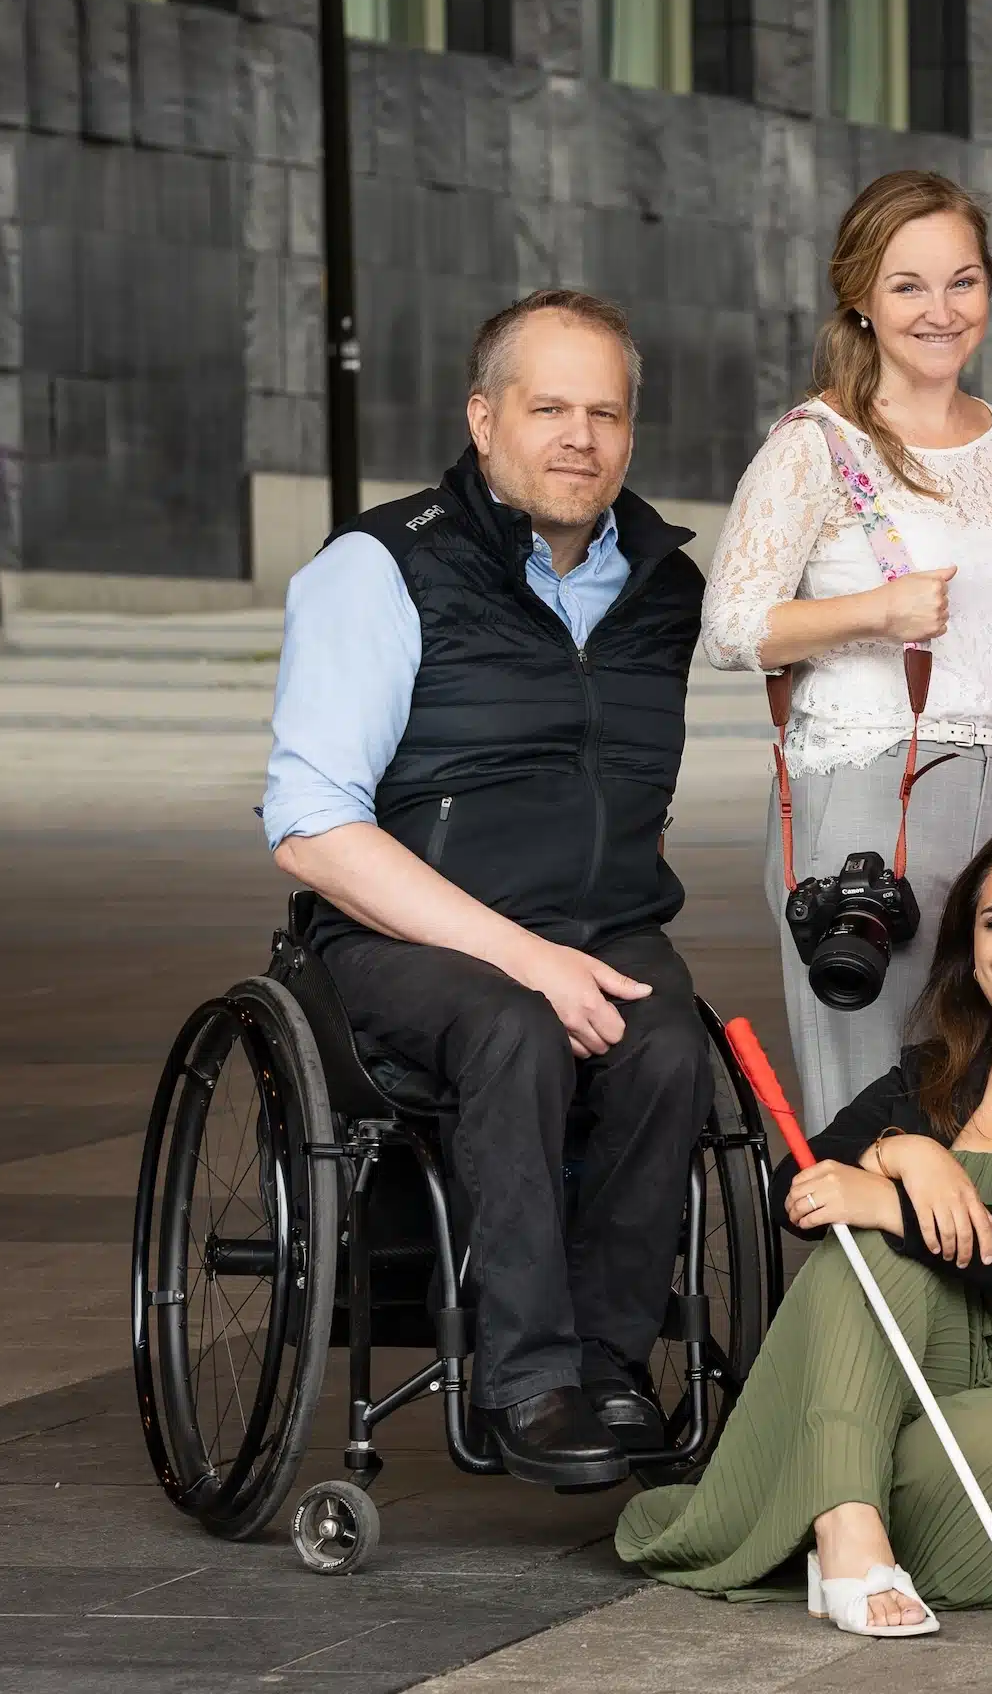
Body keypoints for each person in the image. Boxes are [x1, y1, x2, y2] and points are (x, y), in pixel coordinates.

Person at [264, 290, 710, 1487]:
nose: (580, 437)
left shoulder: (666, 586)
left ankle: (611, 1366)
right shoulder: (381, 565)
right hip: (393, 937)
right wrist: (524, 955)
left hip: (607, 925)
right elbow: (311, 830)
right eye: (548, 406)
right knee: (516, 1027)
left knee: (671, 1049)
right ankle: (531, 1381)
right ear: (482, 418)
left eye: (605, 412)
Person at [617, 824, 992, 1636]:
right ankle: (851, 1529)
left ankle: (828, 1497)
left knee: (945, 1467)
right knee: (857, 1252)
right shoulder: (928, 1077)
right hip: (922, 1371)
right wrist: (906, 1150)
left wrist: (891, 1199)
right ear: (970, 948)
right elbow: (802, 1184)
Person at [701, 170, 992, 1129]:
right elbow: (730, 626)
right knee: (881, 1105)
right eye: (908, 285)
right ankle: (866, 1281)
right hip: (868, 797)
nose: (940, 311)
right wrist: (874, 613)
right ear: (861, 298)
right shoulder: (817, 446)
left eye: (962, 281)